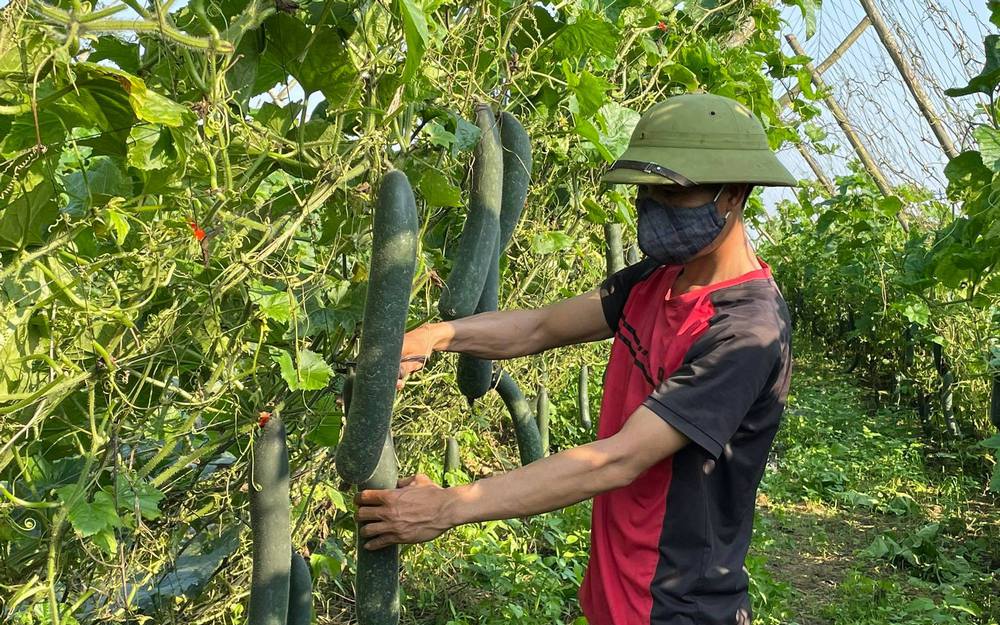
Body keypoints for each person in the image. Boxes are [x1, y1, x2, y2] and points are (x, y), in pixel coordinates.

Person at [354, 93, 798, 625]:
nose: (652, 203)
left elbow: (619, 459)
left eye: (672, 190)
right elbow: (539, 326)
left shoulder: (745, 331)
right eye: (647, 188)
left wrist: (451, 505)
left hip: (676, 607)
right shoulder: (656, 279)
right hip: (617, 588)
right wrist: (436, 335)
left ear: (735, 193)